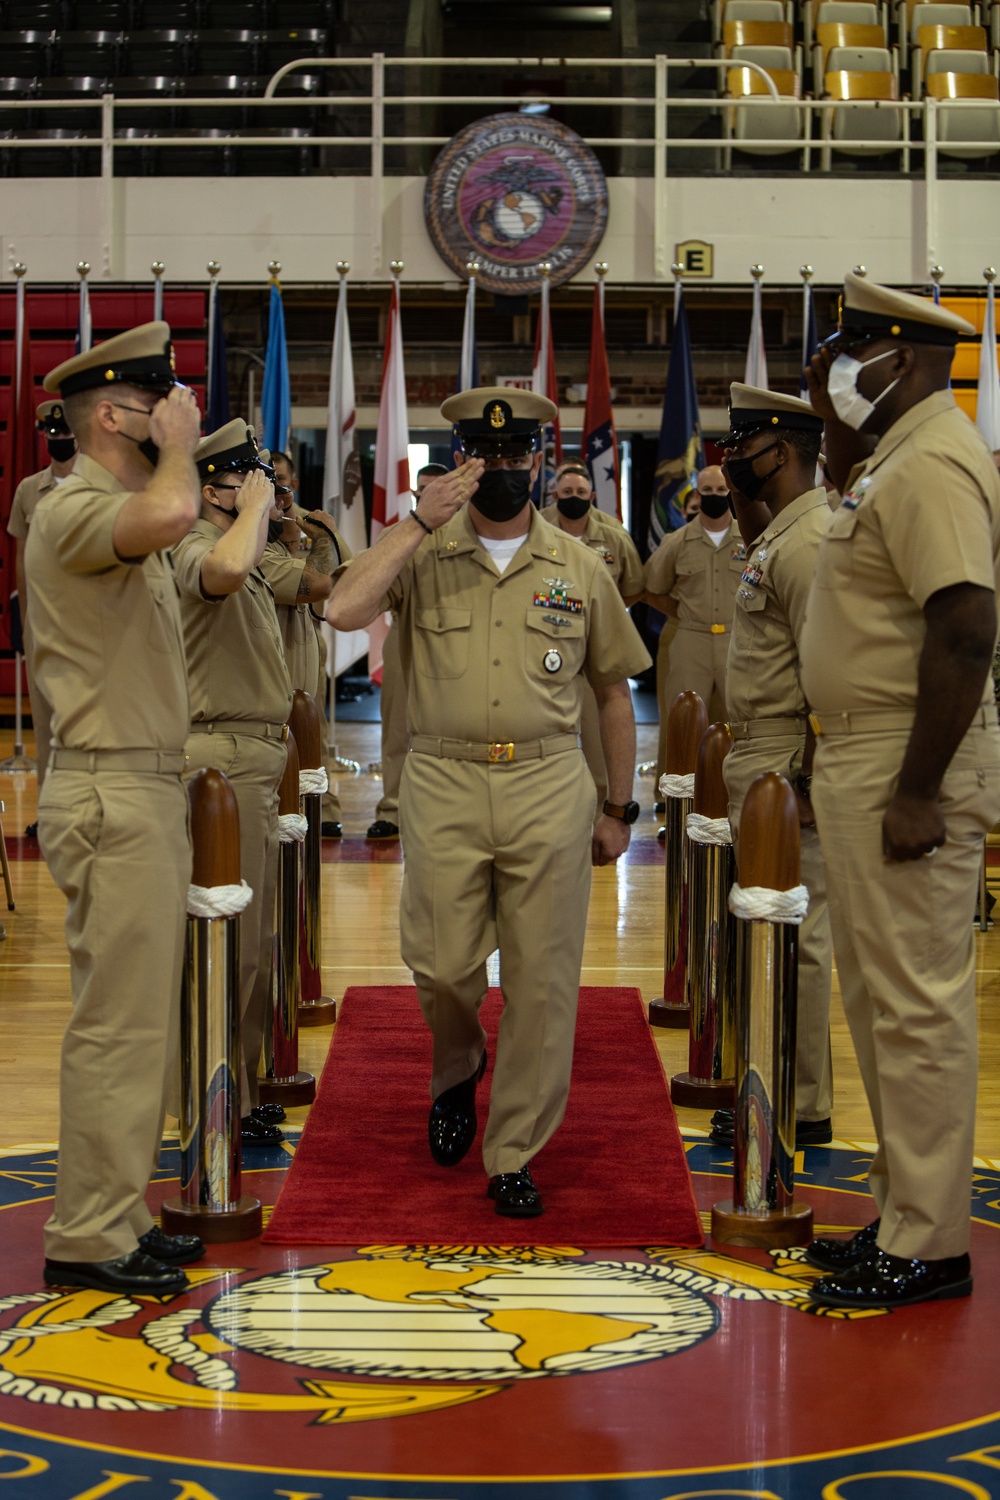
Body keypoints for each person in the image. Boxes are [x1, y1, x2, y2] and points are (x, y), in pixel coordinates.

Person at [327, 386, 650, 1217]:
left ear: (539, 462)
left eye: (516, 457)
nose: (503, 471)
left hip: (549, 781)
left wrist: (620, 807)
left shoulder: (579, 566)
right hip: (444, 779)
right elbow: (341, 607)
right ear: (462, 463)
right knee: (440, 965)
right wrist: (414, 523)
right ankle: (458, 1065)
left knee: (544, 982)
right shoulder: (423, 555)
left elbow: (612, 691)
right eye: (486, 457)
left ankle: (513, 1151)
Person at [800, 272, 1000, 1309]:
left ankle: (929, 1245)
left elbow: (965, 624)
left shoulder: (931, 464)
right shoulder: (890, 458)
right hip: (866, 751)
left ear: (905, 358)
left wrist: (918, 788)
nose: (836, 368)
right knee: (880, 1002)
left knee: (917, 1005)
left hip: (904, 756)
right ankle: (899, 1210)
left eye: (849, 352)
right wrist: (838, 440)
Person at [27, 321, 203, 1296]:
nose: (168, 416)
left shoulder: (111, 503)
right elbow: (173, 519)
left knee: (141, 1021)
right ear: (108, 414)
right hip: (110, 781)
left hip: (138, 780)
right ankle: (87, 1235)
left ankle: (118, 1210)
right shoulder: (74, 509)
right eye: (151, 405)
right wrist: (179, 448)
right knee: (117, 1025)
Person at [712, 383, 835, 1150]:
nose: (730, 462)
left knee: (795, 938)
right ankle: (773, 1077)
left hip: (790, 759)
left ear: (779, 452)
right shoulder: (782, 534)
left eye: (742, 446)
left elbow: (831, 671)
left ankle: (801, 1098)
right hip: (761, 757)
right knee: (763, 933)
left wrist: (815, 777)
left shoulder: (812, 541)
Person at [171, 419, 293, 1148]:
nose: (268, 489)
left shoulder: (245, 540)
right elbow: (220, 573)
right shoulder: (195, 543)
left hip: (255, 756)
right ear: (218, 485)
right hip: (219, 757)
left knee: (257, 936)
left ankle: (236, 1089)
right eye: (252, 478)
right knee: (227, 943)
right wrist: (251, 510)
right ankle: (207, 1098)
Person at [645, 464, 747, 833]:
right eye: (708, 489)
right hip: (692, 638)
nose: (715, 495)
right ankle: (675, 809)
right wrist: (684, 613)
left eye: (722, 488)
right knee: (684, 725)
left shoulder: (749, 539)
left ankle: (731, 805)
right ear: (696, 494)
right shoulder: (677, 541)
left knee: (738, 724)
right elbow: (652, 588)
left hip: (738, 638)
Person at [540, 460, 645, 811]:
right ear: (554, 494)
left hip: (594, 650)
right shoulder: (535, 529)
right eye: (567, 492)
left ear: (593, 496)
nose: (573, 497)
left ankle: (604, 811)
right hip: (542, 648)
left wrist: (602, 619)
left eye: (580, 493)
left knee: (600, 738)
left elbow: (633, 587)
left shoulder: (613, 536)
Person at [269, 450, 349, 838]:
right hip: (269, 647)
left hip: (305, 639)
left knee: (315, 730)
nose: (280, 497)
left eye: (284, 484)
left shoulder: (307, 522)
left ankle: (323, 806)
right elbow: (315, 580)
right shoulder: (260, 530)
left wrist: (327, 536)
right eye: (272, 486)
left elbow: (348, 572)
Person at [367, 462, 448, 840]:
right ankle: (393, 809)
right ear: (414, 494)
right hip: (405, 632)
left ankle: (447, 813)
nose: (426, 495)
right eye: (421, 490)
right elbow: (372, 587)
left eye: (435, 488)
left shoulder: (470, 534)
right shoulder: (397, 534)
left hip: (455, 640)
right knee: (397, 729)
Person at [7, 399, 78, 830]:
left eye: (66, 435)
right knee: (47, 721)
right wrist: (27, 620)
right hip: (44, 624)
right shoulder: (28, 491)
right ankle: (51, 813)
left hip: (87, 623)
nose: (59, 442)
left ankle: (85, 810)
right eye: (52, 437)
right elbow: (20, 560)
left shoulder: (97, 489)